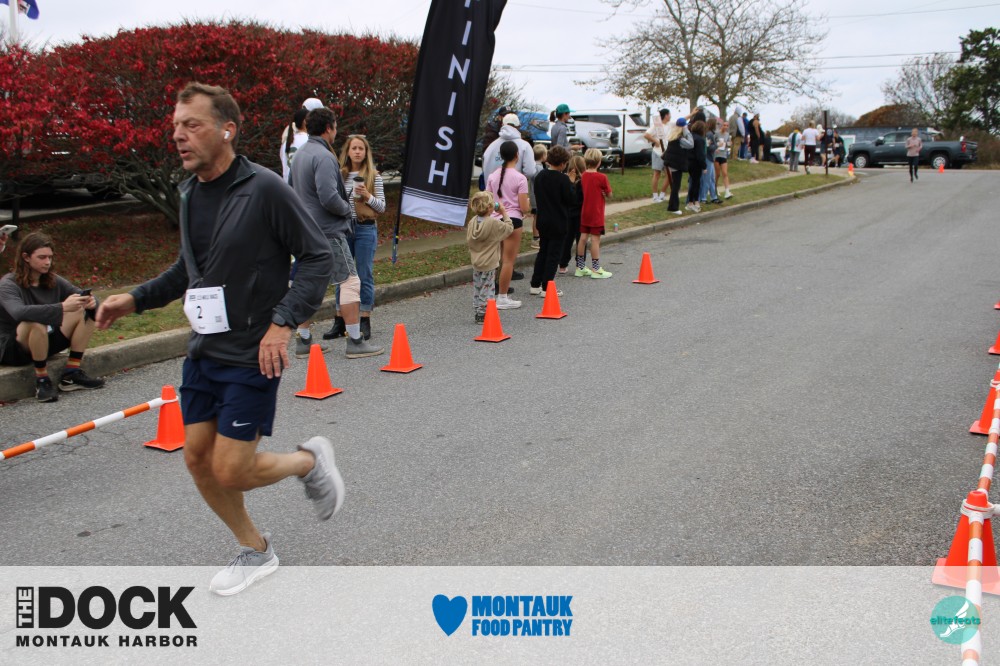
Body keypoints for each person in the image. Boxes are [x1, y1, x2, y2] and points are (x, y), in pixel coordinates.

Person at [96, 83, 342, 596]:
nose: (179, 136)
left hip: (254, 352)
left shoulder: (265, 188)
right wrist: (134, 300)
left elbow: (318, 256)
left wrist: (283, 323)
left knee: (230, 469)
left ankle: (309, 462)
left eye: (192, 125)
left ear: (227, 130)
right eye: (175, 126)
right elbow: (189, 270)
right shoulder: (190, 194)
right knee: (197, 459)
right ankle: (256, 549)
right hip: (204, 348)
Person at [291, 107, 383, 358]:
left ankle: (303, 340)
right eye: (335, 126)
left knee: (308, 283)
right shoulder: (324, 156)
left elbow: (292, 190)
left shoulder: (299, 155)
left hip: (304, 230)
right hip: (328, 231)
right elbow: (328, 196)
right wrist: (347, 210)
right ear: (329, 128)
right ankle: (355, 340)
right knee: (350, 281)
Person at [0, 232, 105, 402]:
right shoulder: (8, 284)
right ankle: (42, 381)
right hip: (13, 349)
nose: (47, 262)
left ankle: (71, 373)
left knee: (83, 308)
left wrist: (92, 302)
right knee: (36, 320)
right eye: (42, 257)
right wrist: (62, 307)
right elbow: (18, 312)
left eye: (50, 257)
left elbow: (82, 296)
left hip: (43, 340)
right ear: (26, 257)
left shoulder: (53, 280)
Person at [338, 134, 385, 340]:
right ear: (347, 152)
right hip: (344, 228)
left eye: (361, 149)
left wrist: (367, 196)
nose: (357, 152)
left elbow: (382, 207)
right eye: (354, 148)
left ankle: (365, 318)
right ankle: (339, 319)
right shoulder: (340, 175)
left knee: (364, 273)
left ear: (366, 153)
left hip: (365, 228)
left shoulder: (374, 176)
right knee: (343, 274)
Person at [486, 141, 530, 310]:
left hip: (495, 220)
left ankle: (489, 293)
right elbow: (524, 207)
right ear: (517, 155)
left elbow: (489, 201)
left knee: (495, 260)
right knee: (508, 261)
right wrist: (527, 208)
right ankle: (502, 297)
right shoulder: (520, 178)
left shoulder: (492, 176)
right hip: (513, 220)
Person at [529, 145, 574, 296]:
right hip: (558, 221)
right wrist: (571, 183)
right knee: (553, 255)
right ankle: (547, 287)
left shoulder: (540, 176)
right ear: (562, 163)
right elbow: (571, 200)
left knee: (543, 251)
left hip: (542, 219)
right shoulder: (563, 179)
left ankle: (535, 283)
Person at [466, 191, 514, 323]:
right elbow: (509, 228)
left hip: (477, 261)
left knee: (478, 287)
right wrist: (503, 212)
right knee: (488, 288)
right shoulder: (493, 223)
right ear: (489, 208)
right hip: (489, 262)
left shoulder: (472, 222)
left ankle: (477, 310)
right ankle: (483, 313)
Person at [574, 148, 612, 279]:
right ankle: (596, 269)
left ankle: (580, 267)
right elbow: (609, 194)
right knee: (595, 240)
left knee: (583, 238)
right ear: (599, 162)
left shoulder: (584, 176)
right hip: (596, 213)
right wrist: (604, 193)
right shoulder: (602, 177)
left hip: (585, 212)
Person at [558, 154, 586, 275]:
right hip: (580, 214)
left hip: (567, 214)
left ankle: (563, 265)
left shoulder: (564, 180)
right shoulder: (584, 181)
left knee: (567, 240)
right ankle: (580, 265)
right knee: (581, 240)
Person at [664, 116, 693, 215]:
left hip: (672, 162)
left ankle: (672, 205)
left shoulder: (673, 136)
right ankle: (673, 207)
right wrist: (687, 132)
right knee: (676, 186)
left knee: (675, 185)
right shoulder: (680, 139)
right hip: (676, 163)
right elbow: (691, 144)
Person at [644, 108, 671, 202]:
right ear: (666, 115)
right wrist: (655, 141)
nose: (670, 116)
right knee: (657, 174)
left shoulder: (669, 125)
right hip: (658, 152)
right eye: (669, 114)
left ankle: (662, 194)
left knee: (669, 174)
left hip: (667, 153)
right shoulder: (656, 126)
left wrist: (692, 114)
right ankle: (655, 196)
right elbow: (646, 134)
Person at [279, 108, 309, 184]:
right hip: (302, 186)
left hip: (286, 186)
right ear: (305, 121)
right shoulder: (309, 139)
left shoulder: (287, 142)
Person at [686, 120, 706, 212]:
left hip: (688, 162)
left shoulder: (690, 137)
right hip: (696, 163)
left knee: (693, 182)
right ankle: (694, 202)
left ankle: (691, 202)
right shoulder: (700, 139)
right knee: (696, 183)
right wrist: (704, 166)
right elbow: (700, 155)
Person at [700, 118, 721, 205]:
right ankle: (703, 197)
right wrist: (717, 145)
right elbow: (708, 146)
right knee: (707, 178)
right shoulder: (709, 134)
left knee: (712, 178)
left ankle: (714, 196)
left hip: (710, 158)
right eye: (716, 124)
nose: (717, 126)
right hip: (708, 158)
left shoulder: (710, 133)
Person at [715, 121, 733, 199]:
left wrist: (729, 143)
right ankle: (714, 189)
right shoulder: (716, 133)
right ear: (721, 126)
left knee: (725, 173)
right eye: (724, 125)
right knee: (717, 174)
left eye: (727, 126)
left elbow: (728, 144)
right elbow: (712, 142)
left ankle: (727, 191)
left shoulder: (727, 135)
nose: (725, 127)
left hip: (723, 155)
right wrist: (717, 145)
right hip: (716, 155)